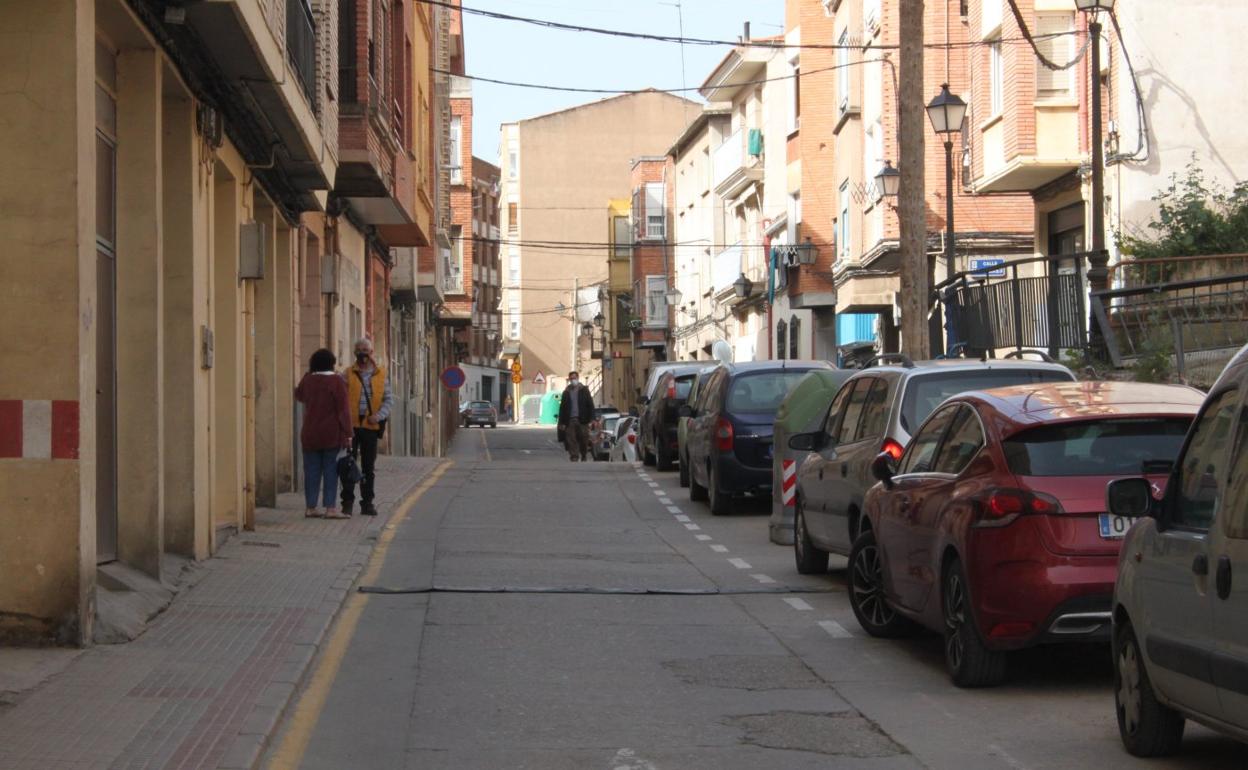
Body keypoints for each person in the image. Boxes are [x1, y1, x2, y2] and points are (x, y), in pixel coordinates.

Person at [295, 349, 353, 519]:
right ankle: (330, 508)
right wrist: (348, 433)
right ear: (332, 363)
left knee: (311, 471)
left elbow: (298, 395)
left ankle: (310, 507)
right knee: (330, 471)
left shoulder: (308, 381)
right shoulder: (337, 381)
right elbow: (344, 410)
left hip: (310, 433)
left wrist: (308, 374)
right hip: (331, 434)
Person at [342, 337, 392, 515]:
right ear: (355, 352)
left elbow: (388, 401)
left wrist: (378, 416)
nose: (362, 353)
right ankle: (347, 502)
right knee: (348, 465)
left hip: (371, 428)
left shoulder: (381, 375)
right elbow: (340, 398)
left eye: (366, 350)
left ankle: (367, 502)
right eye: (359, 349)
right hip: (351, 427)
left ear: (372, 353)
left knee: (368, 467)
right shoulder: (347, 374)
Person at [557, 370, 595, 462]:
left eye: (574, 378)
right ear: (569, 380)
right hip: (570, 420)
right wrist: (561, 422)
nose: (573, 380)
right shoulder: (566, 392)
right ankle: (574, 456)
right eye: (571, 379)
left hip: (582, 419)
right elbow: (562, 408)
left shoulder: (584, 390)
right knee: (571, 439)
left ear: (578, 378)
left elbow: (590, 404)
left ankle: (584, 454)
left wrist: (592, 418)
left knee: (584, 438)